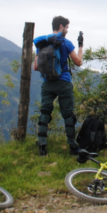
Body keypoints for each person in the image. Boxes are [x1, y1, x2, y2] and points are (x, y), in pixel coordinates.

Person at [33, 15, 84, 156]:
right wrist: (80, 46)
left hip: (47, 83)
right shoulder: (66, 43)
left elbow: (35, 67)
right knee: (68, 115)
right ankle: (73, 147)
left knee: (45, 113)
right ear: (61, 26)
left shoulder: (42, 43)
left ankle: (42, 147)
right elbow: (78, 62)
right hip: (63, 82)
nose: (67, 30)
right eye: (67, 27)